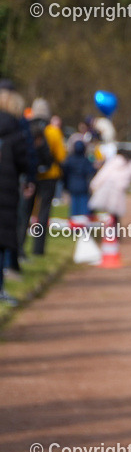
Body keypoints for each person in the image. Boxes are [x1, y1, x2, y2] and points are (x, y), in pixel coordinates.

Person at [21, 98, 66, 257]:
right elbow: (61, 156)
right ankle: (38, 249)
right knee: (44, 213)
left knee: (26, 211)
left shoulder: (27, 127)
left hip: (31, 174)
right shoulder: (53, 131)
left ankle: (20, 247)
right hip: (49, 176)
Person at [0, 88, 32, 305]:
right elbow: (26, 160)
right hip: (6, 190)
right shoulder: (15, 129)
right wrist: (30, 178)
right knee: (2, 241)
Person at [62, 140, 95, 217]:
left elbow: (65, 172)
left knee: (74, 208)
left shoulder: (69, 159)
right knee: (83, 208)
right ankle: (82, 225)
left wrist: (65, 185)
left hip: (72, 185)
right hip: (83, 186)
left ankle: (75, 226)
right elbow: (90, 171)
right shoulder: (86, 160)